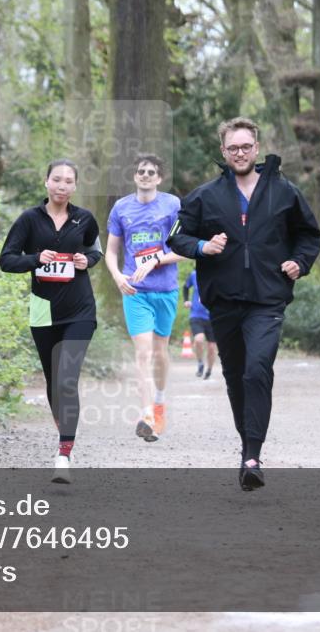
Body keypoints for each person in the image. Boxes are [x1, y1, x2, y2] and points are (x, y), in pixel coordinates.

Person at [167, 117, 320, 491]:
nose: (240, 153)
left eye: (246, 147)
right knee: (236, 377)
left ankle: (252, 455)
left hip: (268, 299)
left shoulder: (284, 192)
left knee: (257, 370)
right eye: (233, 148)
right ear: (223, 152)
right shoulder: (206, 195)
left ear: (256, 147)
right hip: (223, 300)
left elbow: (309, 235)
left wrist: (299, 264)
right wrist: (202, 246)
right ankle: (246, 446)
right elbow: (176, 236)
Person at [0, 159, 102, 484]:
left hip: (80, 310)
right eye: (56, 179)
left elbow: (94, 251)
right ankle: (65, 432)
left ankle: (63, 453)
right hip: (43, 311)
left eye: (68, 181)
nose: (62, 185)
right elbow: (6, 260)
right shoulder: (29, 219)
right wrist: (35, 259)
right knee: (53, 380)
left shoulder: (84, 218)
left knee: (67, 379)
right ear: (46, 183)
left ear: (74, 186)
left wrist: (89, 260)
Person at [104, 154, 186, 442]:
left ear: (159, 178)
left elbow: (185, 248)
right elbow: (111, 251)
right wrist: (117, 277)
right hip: (135, 292)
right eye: (142, 171)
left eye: (152, 172)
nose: (146, 175)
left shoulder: (173, 205)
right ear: (135, 175)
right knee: (143, 354)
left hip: (165, 290)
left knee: (161, 353)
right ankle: (147, 415)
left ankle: (160, 403)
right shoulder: (121, 208)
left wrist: (156, 261)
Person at [183, 270, 217, 380]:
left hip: (213, 317)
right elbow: (185, 287)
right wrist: (186, 300)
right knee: (198, 339)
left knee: (212, 347)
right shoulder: (194, 274)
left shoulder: (219, 274)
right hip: (196, 314)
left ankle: (209, 370)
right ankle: (200, 362)